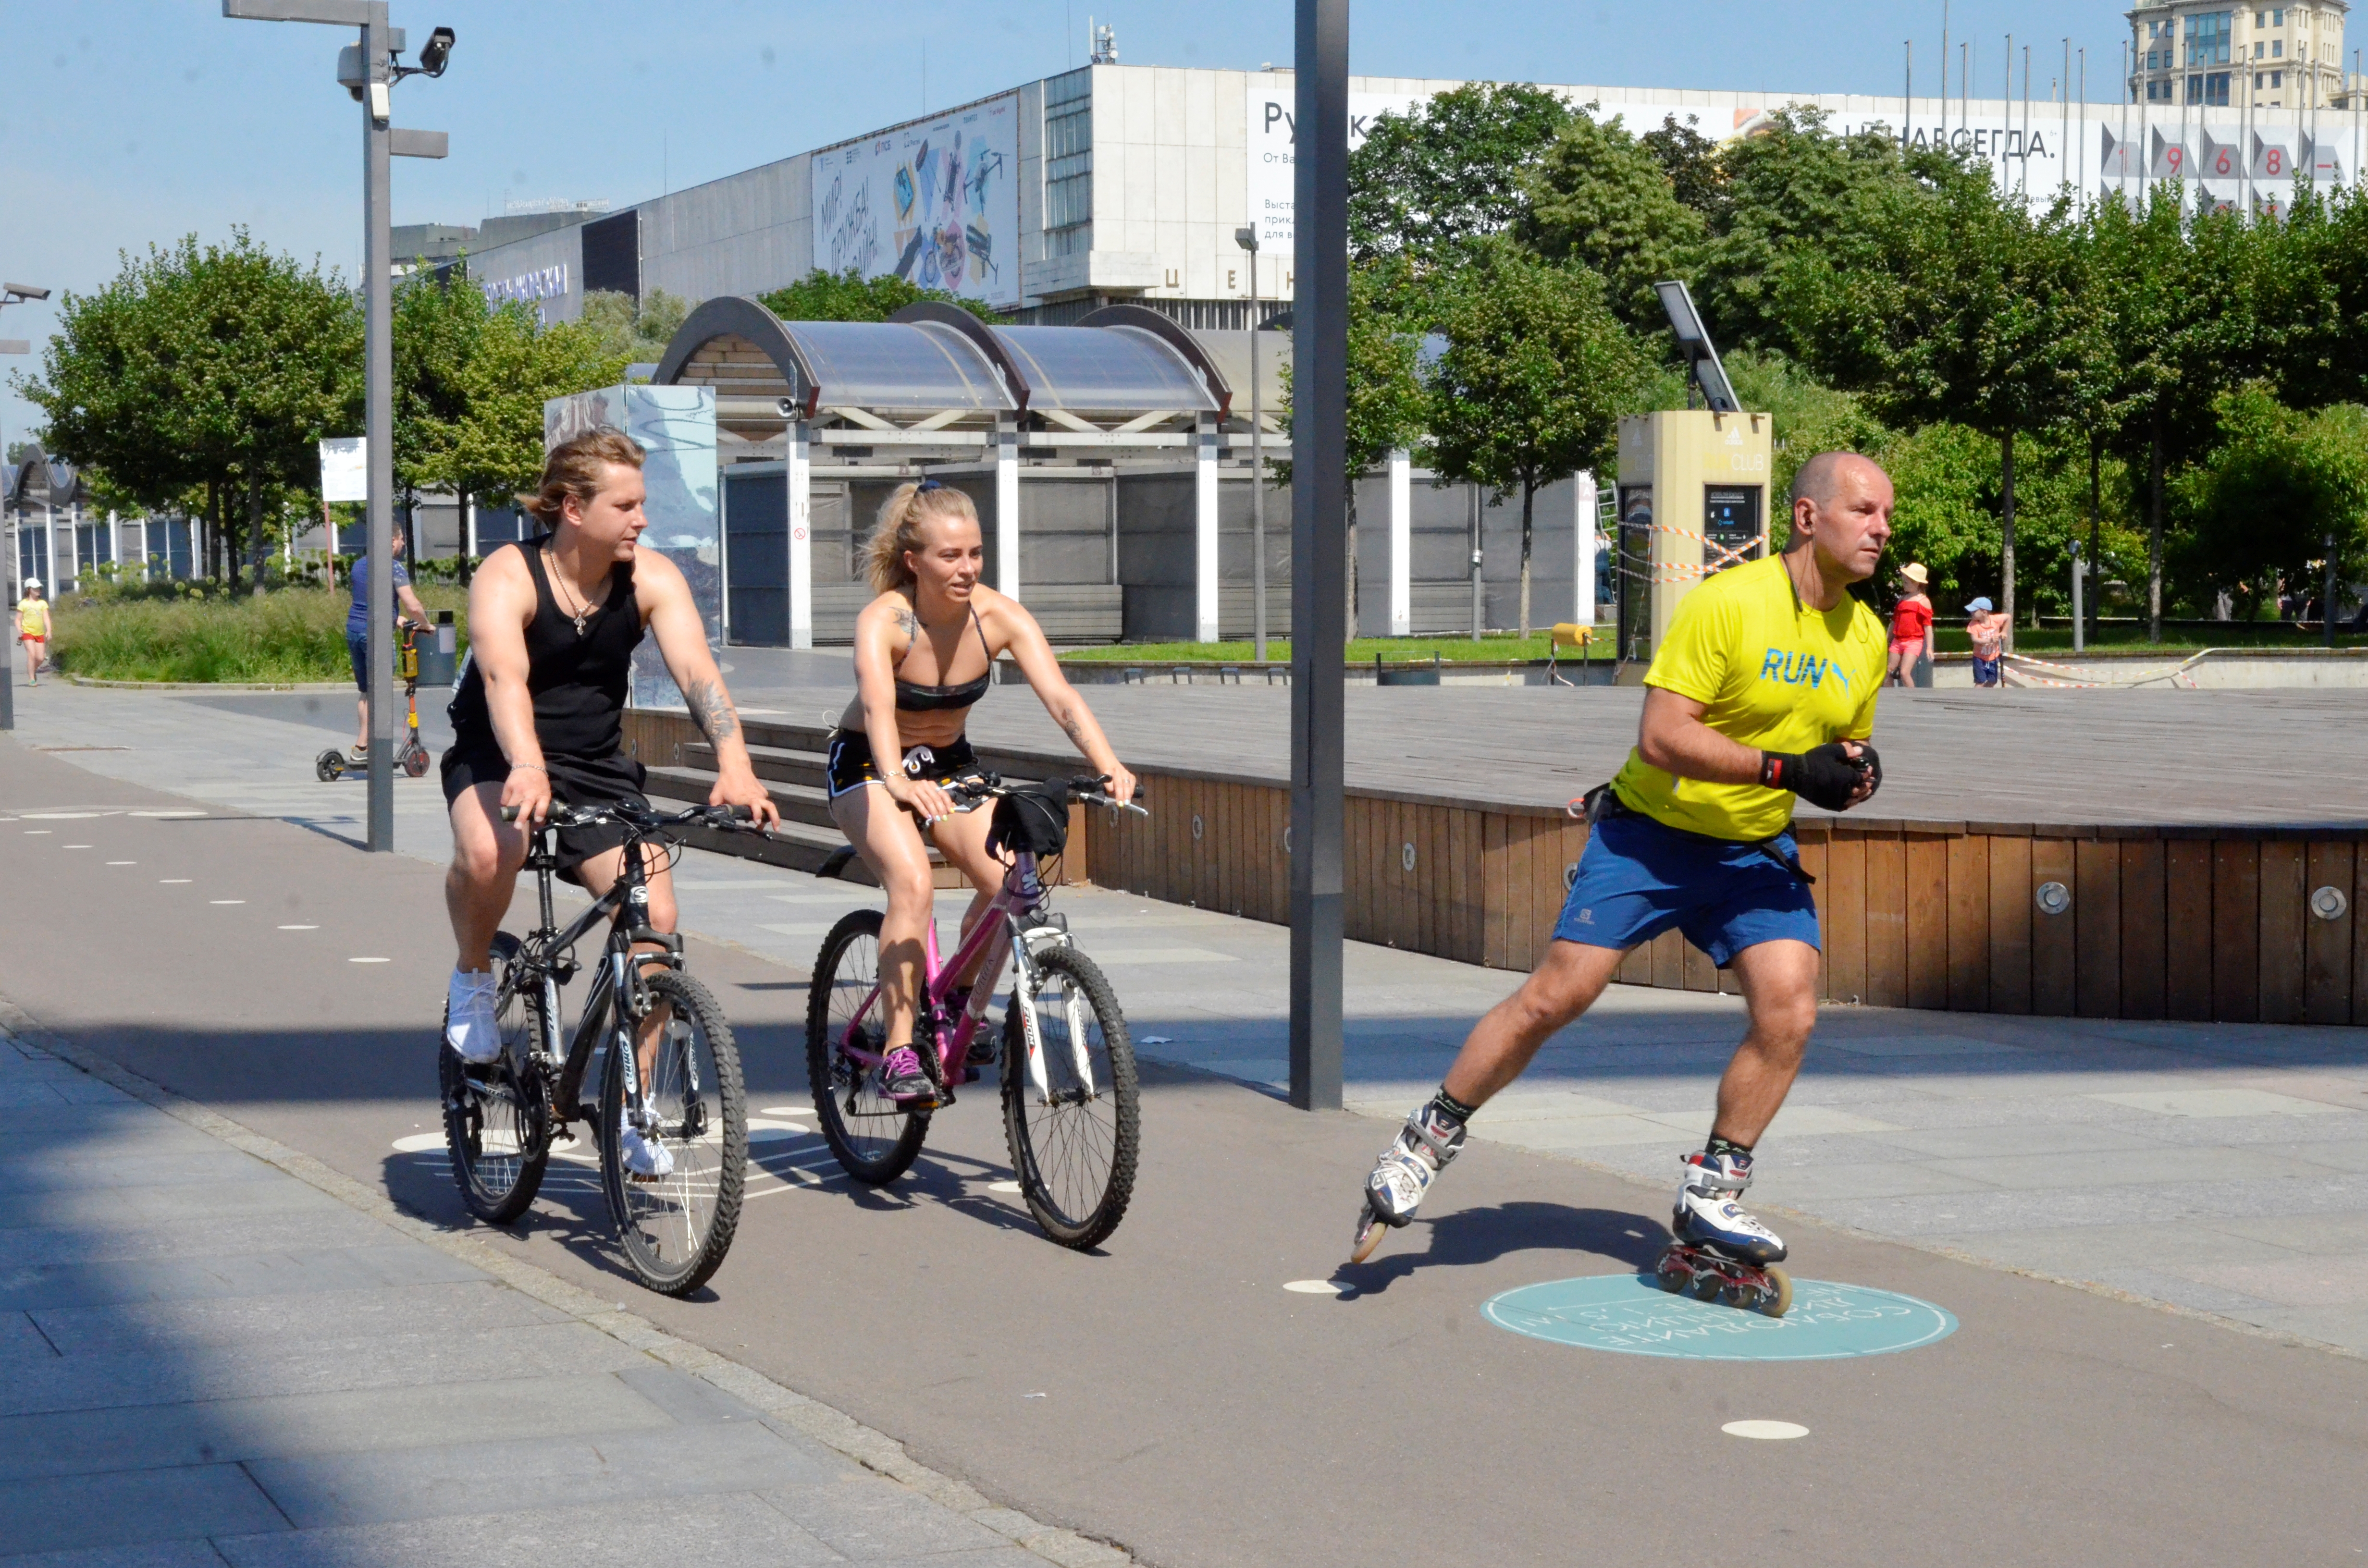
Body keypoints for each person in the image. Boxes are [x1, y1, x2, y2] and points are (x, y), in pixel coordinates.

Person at [1357, 450, 1892, 1276]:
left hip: (1752, 848)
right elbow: (1662, 736)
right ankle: (1424, 1140)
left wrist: (1851, 772)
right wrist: (1788, 771)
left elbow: (1837, 745)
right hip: (1651, 829)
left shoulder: (1864, 633)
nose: (1880, 529)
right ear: (1805, 517)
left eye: (1886, 515)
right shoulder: (1727, 603)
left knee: (1790, 1010)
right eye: (1863, 511)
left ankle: (1711, 1187)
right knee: (1558, 993)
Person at [439, 428, 780, 1177]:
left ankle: (632, 1108)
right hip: (499, 750)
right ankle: (472, 977)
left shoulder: (651, 579)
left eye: (643, 504)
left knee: (654, 923)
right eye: (626, 505)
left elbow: (697, 674)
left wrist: (736, 764)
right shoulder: (509, 574)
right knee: (495, 847)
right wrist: (526, 765)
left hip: (594, 763)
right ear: (571, 507)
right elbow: (502, 681)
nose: (641, 519)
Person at [830, 479, 1135, 1108]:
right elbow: (879, 709)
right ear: (913, 560)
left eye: (975, 552)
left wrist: (1108, 765)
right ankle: (899, 1050)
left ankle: (955, 1005)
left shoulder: (998, 616)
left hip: (948, 765)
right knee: (913, 885)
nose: (966, 568)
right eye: (950, 556)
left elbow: (1060, 695)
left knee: (1008, 885)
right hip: (870, 763)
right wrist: (897, 781)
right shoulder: (885, 621)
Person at [346, 526, 431, 758]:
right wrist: (426, 624)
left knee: (366, 692)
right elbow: (412, 605)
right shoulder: (393, 567)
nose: (403, 544)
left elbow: (369, 602)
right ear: (392, 540)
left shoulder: (360, 564)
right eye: (402, 539)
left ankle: (362, 746)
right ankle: (365, 746)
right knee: (379, 691)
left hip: (354, 630)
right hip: (375, 635)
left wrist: (396, 619)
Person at [1885, 562, 1933, 688]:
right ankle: (1891, 699)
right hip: (1898, 640)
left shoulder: (1923, 601)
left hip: (1914, 641)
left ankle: (1912, 698)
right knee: (1889, 671)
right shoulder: (1902, 600)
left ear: (1917, 583)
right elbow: (1894, 621)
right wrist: (1887, 639)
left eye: (1907, 582)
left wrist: (1929, 648)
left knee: (1905, 673)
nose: (1904, 584)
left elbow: (1928, 627)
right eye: (1904, 581)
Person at [1965, 597, 2007, 689]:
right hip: (1979, 658)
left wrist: (2004, 632)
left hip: (1993, 657)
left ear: (1984, 613)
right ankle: (1977, 699)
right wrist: (1990, 640)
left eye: (1974, 611)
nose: (1971, 613)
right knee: (1980, 681)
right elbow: (1975, 640)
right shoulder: (1973, 624)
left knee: (1993, 681)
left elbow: (2008, 617)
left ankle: (1986, 696)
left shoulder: (1996, 620)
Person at [13, 578, 49, 686]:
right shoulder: (23, 604)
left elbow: (46, 618)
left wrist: (49, 631)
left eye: (39, 589)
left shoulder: (42, 604)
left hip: (39, 633)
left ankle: (32, 670)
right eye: (35, 589)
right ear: (29, 590)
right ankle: (32, 679)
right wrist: (19, 629)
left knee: (41, 658)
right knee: (32, 655)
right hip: (28, 632)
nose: (38, 591)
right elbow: (18, 619)